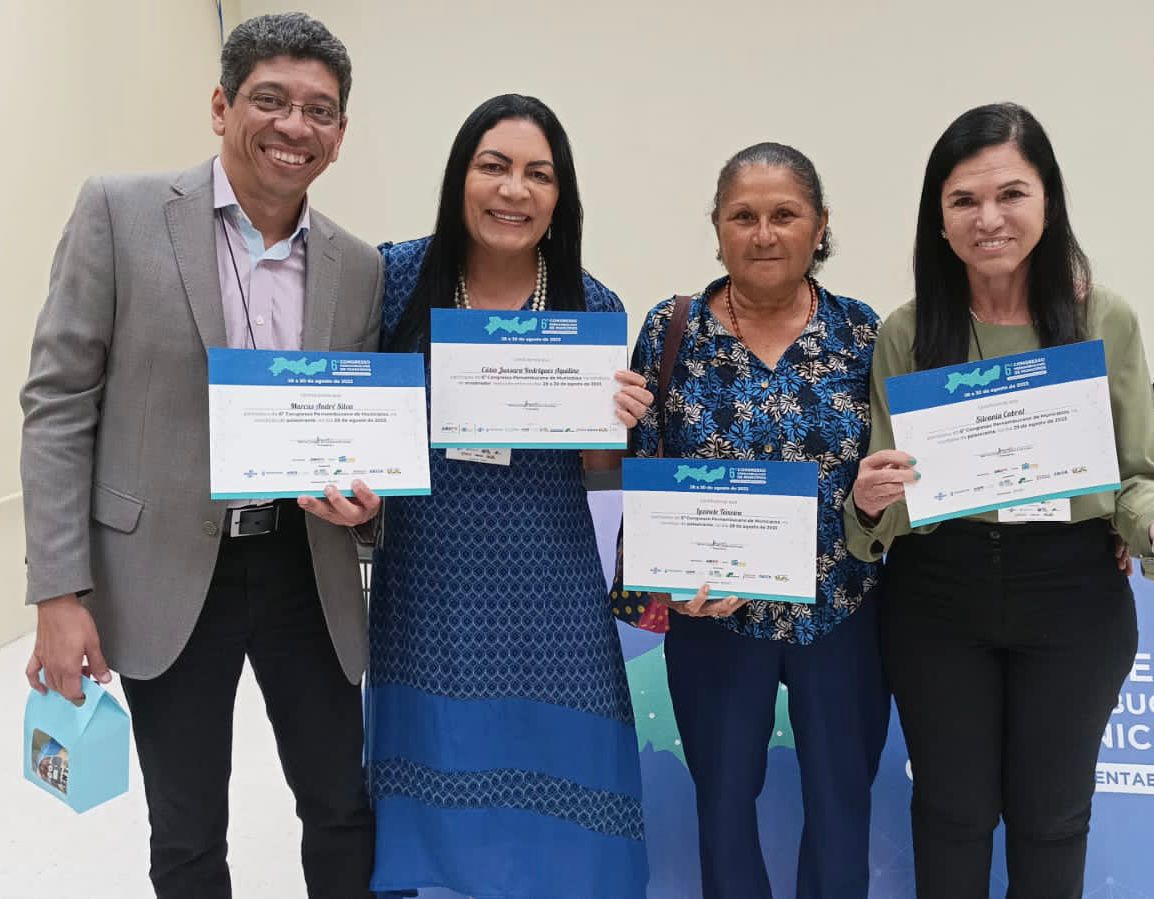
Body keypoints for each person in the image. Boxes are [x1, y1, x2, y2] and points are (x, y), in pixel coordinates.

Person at [20, 13, 383, 899]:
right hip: (166, 565)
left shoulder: (358, 265)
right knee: (186, 828)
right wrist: (59, 594)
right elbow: (58, 402)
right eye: (270, 100)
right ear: (221, 106)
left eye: (320, 110)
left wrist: (368, 508)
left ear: (340, 135)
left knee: (340, 803)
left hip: (308, 567)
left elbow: (355, 425)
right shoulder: (121, 210)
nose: (294, 126)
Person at [845, 102, 1154, 899]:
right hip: (939, 590)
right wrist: (869, 503)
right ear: (936, 220)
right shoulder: (907, 331)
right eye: (963, 200)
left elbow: (1137, 470)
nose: (988, 218)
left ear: (1048, 202)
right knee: (951, 812)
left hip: (1070, 588)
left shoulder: (1101, 317)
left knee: (1051, 817)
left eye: (1011, 194)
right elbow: (887, 501)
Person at [365, 93, 652, 899]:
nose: (513, 190)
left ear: (560, 197)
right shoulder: (393, 280)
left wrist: (617, 424)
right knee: (429, 771)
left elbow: (598, 471)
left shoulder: (591, 305)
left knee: (564, 780)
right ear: (461, 177)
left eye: (538, 174)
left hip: (550, 580)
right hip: (429, 574)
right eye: (494, 166)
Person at [629, 142, 890, 899]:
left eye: (784, 214)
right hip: (714, 616)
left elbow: (890, 471)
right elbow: (644, 469)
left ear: (819, 226)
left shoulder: (863, 333)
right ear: (717, 228)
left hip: (840, 611)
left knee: (842, 805)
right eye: (742, 216)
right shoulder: (671, 328)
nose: (763, 233)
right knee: (720, 808)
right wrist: (665, 585)